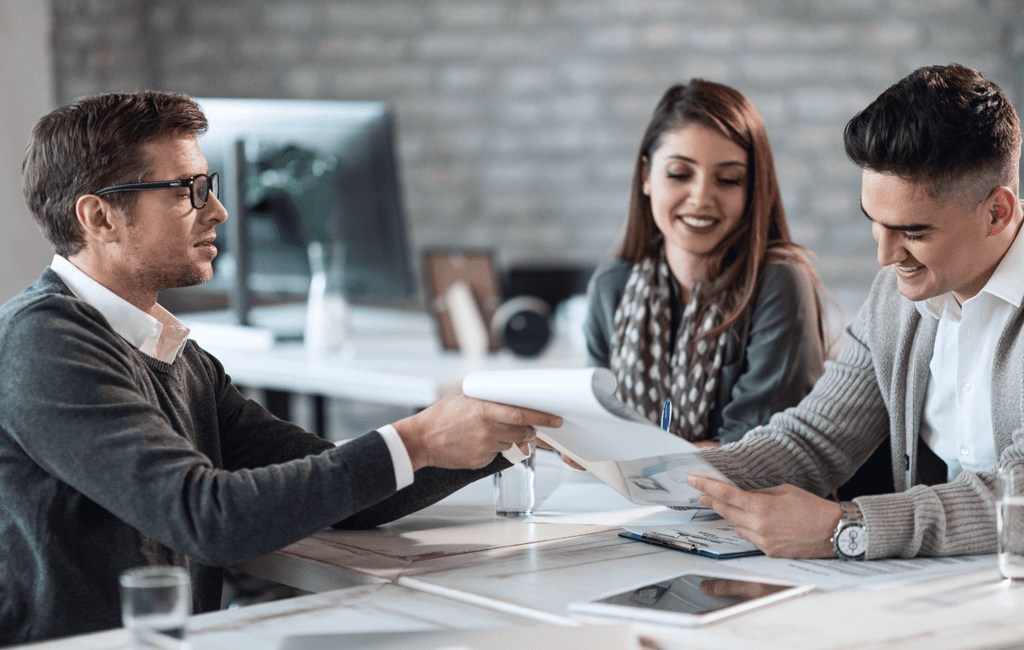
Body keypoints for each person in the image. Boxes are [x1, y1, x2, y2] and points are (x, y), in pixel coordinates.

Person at [0, 91, 560, 645]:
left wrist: (506, 431)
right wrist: (416, 439)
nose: (218, 211)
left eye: (209, 185)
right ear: (99, 217)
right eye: (188, 191)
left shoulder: (175, 354)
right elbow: (206, 518)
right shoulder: (42, 342)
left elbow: (345, 490)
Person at [688, 63, 1024, 560]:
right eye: (876, 223)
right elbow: (815, 439)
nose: (886, 257)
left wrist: (848, 528)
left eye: (913, 232)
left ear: (998, 212)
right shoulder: (896, 296)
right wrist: (654, 467)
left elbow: (1018, 496)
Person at [584, 80, 829, 447]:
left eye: (728, 179)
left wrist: (634, 457)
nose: (700, 198)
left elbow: (758, 448)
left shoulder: (779, 283)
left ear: (752, 189)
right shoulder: (611, 287)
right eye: (679, 174)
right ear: (646, 176)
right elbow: (597, 425)